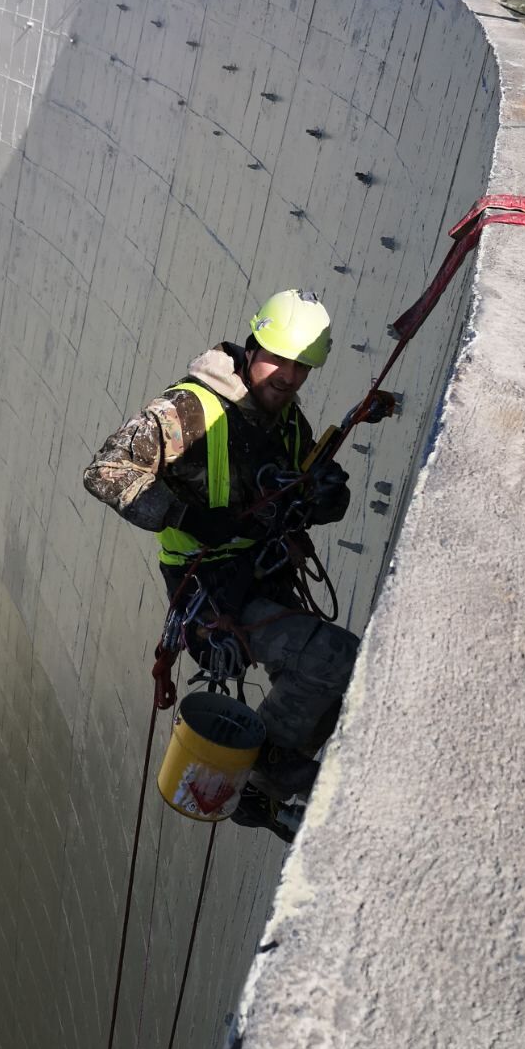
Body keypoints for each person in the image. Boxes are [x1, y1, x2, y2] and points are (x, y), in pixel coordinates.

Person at [83, 289, 359, 838]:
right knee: (335, 658)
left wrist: (324, 495)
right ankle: (263, 771)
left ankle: (259, 787)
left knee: (331, 687)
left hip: (261, 571)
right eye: (279, 359)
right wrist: (185, 516)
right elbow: (107, 469)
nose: (289, 376)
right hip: (208, 584)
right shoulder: (191, 409)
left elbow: (293, 488)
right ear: (253, 345)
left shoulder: (284, 421)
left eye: (302, 366)